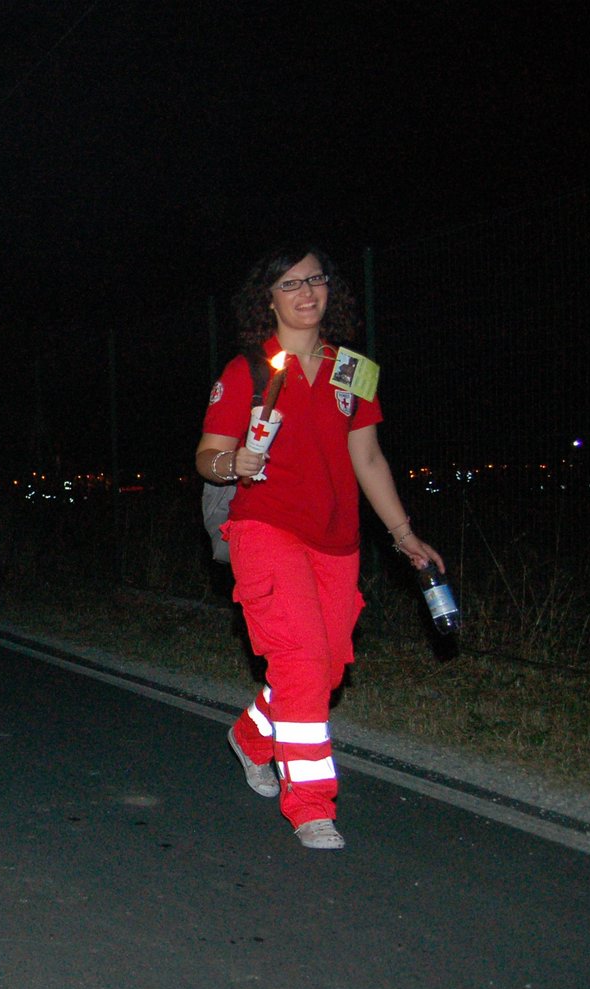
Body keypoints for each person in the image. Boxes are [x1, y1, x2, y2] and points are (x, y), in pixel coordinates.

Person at [196, 245, 443, 851]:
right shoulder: (245, 371)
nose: (307, 293)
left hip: (338, 541)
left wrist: (406, 536)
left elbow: (368, 457)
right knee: (303, 661)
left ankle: (254, 737)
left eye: (316, 280)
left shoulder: (353, 369)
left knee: (325, 667)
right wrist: (235, 461)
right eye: (290, 283)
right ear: (268, 299)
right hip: (265, 529)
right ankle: (309, 804)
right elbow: (206, 457)